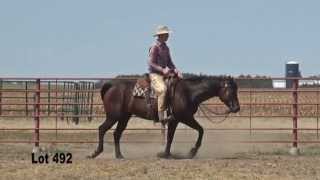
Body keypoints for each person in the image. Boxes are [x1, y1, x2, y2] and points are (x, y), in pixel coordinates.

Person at [148, 25, 183, 123]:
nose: (168, 36)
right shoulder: (154, 47)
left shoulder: (166, 48)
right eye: (166, 34)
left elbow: (170, 63)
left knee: (177, 87)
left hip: (165, 74)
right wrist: (162, 70)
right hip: (155, 75)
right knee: (163, 90)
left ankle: (173, 111)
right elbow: (151, 63)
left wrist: (176, 71)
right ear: (161, 35)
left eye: (167, 34)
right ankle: (161, 117)